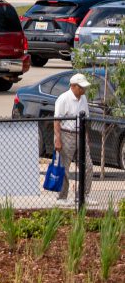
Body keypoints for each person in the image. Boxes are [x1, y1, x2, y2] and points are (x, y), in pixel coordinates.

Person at [55, 74, 91, 204]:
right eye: (81, 87)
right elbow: (57, 120)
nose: (83, 90)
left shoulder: (83, 98)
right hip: (67, 134)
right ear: (73, 86)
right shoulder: (63, 98)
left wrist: (86, 137)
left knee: (88, 166)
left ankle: (83, 195)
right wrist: (58, 139)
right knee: (64, 167)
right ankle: (62, 197)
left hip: (80, 134)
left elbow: (85, 119)